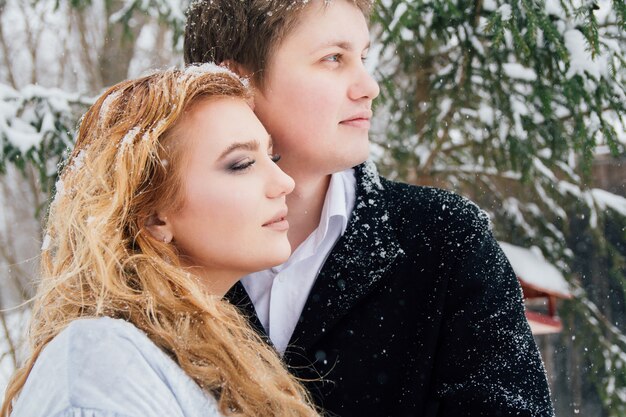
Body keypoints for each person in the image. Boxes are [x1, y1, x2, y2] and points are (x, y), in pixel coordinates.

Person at [183, 1, 555, 416]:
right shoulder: (153, 255)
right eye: (333, 58)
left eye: (363, 57)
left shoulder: (447, 238)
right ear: (238, 81)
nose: (369, 85)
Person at [1, 66, 321, 417]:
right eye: (241, 164)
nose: (284, 183)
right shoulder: (100, 368)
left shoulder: (199, 352)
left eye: (270, 157)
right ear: (154, 216)